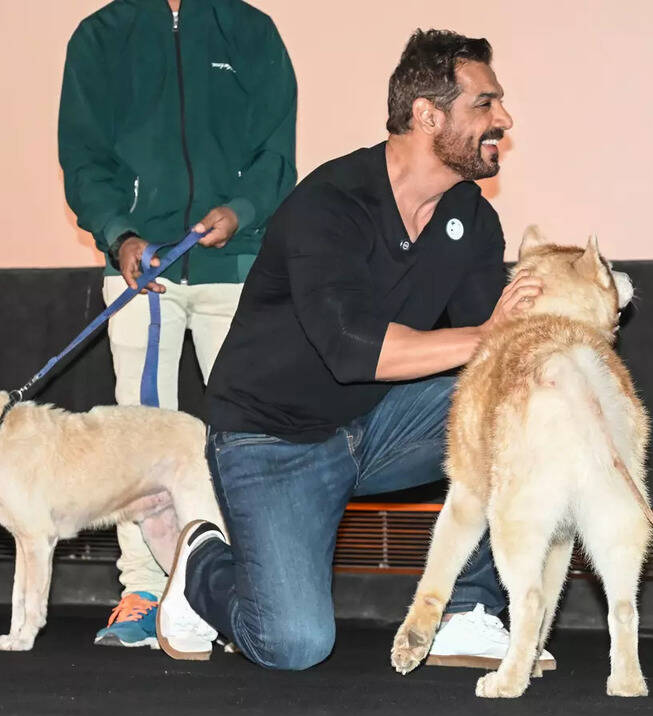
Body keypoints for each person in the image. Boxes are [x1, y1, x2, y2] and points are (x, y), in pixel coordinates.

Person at [150, 28, 557, 672]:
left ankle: (470, 610)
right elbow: (351, 350)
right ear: (427, 114)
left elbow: (497, 353)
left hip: (377, 424)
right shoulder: (330, 202)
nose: (503, 119)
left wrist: (566, 315)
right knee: (293, 644)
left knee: (521, 399)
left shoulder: (471, 218)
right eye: (485, 104)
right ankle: (203, 567)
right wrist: (489, 336)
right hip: (270, 441)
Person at [57, 0, 296, 649]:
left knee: (248, 438)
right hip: (144, 269)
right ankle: (144, 587)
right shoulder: (100, 36)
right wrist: (119, 233)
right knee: (138, 438)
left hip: (236, 266)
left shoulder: (249, 30)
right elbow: (83, 158)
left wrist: (242, 208)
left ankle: (254, 587)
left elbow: (277, 152)